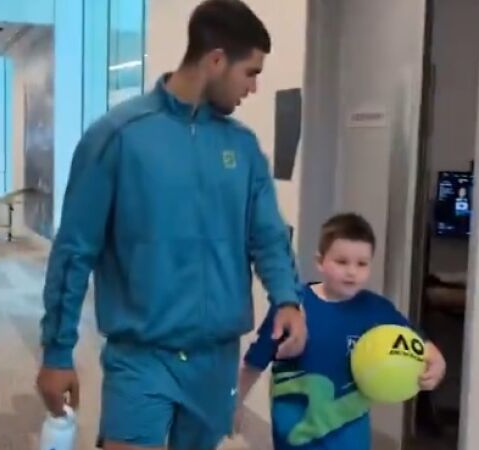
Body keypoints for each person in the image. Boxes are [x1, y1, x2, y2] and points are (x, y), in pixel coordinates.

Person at [36, 1, 307, 449]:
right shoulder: (118, 135)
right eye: (250, 72)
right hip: (141, 356)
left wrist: (287, 299)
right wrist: (57, 352)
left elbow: (269, 236)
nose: (254, 87)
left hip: (216, 360)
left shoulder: (242, 146)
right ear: (216, 60)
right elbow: (74, 250)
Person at [235, 213, 447, 450]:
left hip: (350, 425)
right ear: (320, 262)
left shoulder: (377, 309)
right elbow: (255, 360)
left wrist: (436, 362)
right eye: (342, 262)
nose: (351, 272)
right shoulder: (293, 306)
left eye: (361, 264)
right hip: (298, 427)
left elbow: (417, 341)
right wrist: (234, 403)